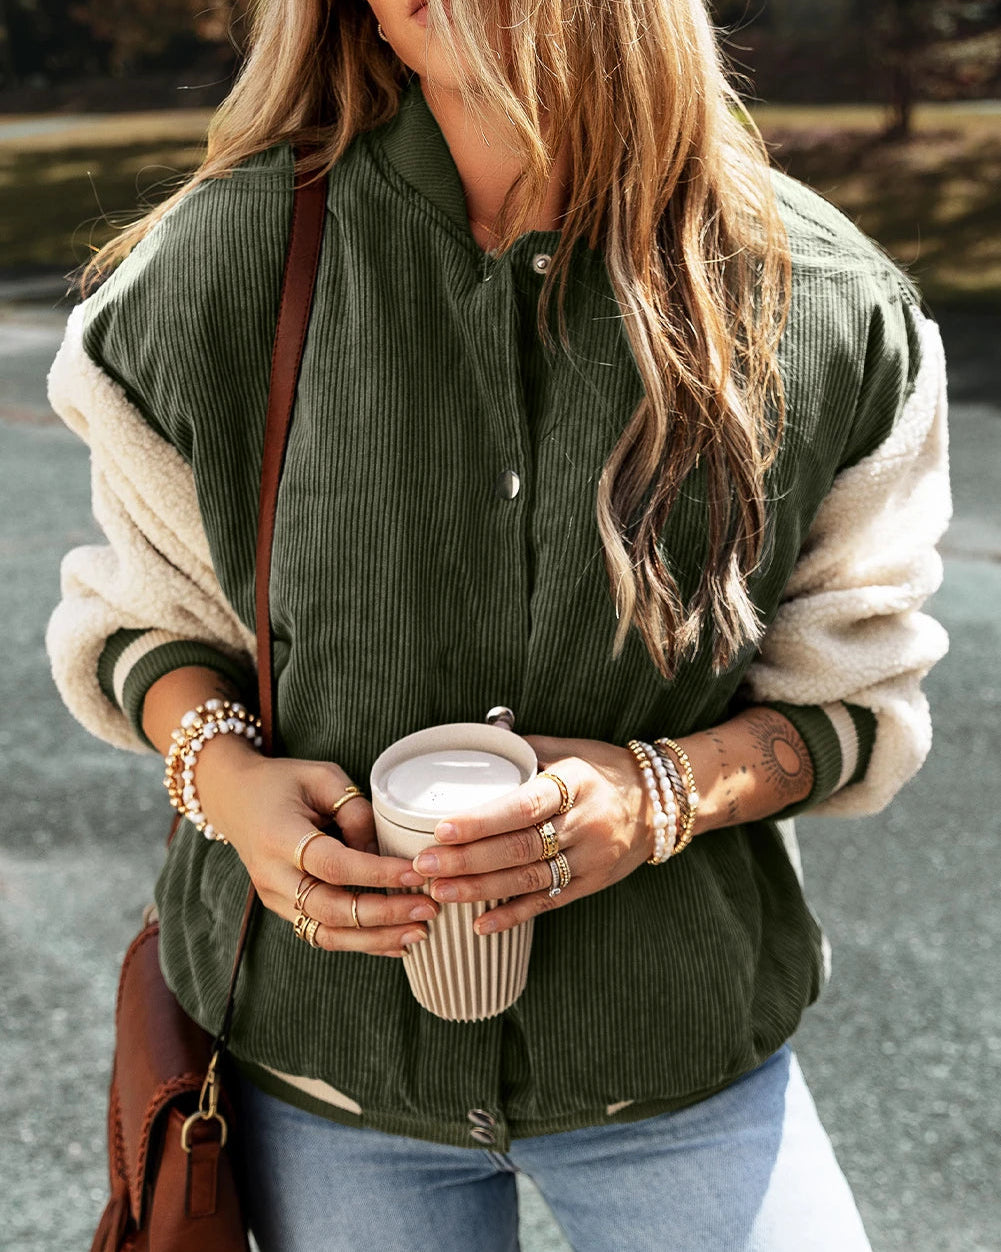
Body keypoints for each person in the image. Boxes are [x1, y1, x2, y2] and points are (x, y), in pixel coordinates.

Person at [47, 0, 951, 1248]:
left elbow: (853, 702)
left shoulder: (825, 304)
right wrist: (229, 780)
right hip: (321, 1069)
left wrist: (663, 794)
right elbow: (144, 621)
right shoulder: (220, 265)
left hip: (673, 1061)